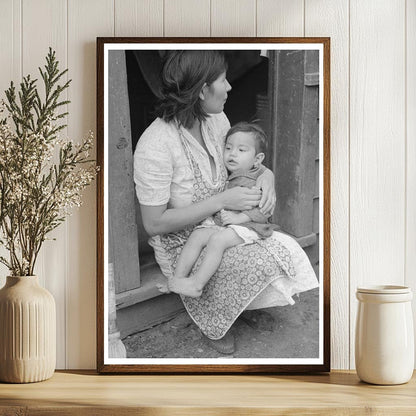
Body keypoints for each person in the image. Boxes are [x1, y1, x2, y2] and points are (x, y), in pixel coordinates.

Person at [134, 50, 319, 354]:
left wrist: (266, 175)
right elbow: (154, 223)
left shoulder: (216, 119)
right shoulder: (155, 145)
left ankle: (238, 305)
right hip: (184, 245)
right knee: (259, 259)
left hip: (223, 222)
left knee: (282, 246)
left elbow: (241, 159)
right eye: (222, 80)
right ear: (203, 89)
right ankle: (214, 320)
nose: (230, 87)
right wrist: (222, 199)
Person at [162, 122, 280, 298]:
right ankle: (177, 279)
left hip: (252, 228)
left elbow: (264, 212)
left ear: (257, 159)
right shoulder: (230, 172)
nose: (233, 154)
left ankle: (197, 283)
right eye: (229, 148)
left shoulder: (258, 181)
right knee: (198, 235)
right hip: (229, 225)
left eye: (241, 150)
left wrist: (239, 218)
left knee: (218, 240)